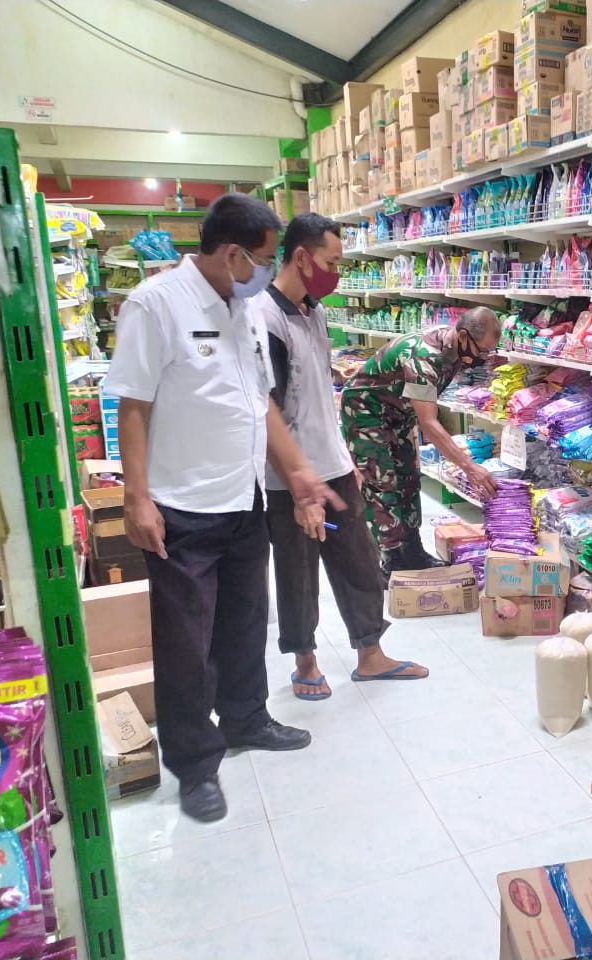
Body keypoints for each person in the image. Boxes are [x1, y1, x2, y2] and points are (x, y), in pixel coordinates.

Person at [110, 193, 343, 824]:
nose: (267, 272)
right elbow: (133, 405)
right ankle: (195, 766)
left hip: (243, 498)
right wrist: (137, 497)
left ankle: (246, 718)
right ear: (234, 254)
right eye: (264, 260)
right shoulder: (156, 304)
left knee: (245, 621)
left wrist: (297, 471)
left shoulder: (244, 309)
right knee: (187, 643)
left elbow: (260, 402)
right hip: (181, 506)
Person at [255, 213, 429, 700]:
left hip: (332, 466)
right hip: (289, 478)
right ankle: (305, 662)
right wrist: (298, 487)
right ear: (301, 257)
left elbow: (315, 393)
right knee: (298, 572)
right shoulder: (266, 319)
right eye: (331, 262)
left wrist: (342, 454)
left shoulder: (313, 311)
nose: (336, 273)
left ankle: (370, 654)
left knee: (359, 560)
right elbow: (268, 411)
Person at [341, 307, 502, 575]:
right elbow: (429, 423)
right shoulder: (425, 358)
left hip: (398, 412)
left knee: (408, 478)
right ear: (463, 336)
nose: (483, 358)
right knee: (383, 483)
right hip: (366, 412)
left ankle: (412, 550)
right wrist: (469, 467)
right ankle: (391, 559)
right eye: (482, 351)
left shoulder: (456, 349)